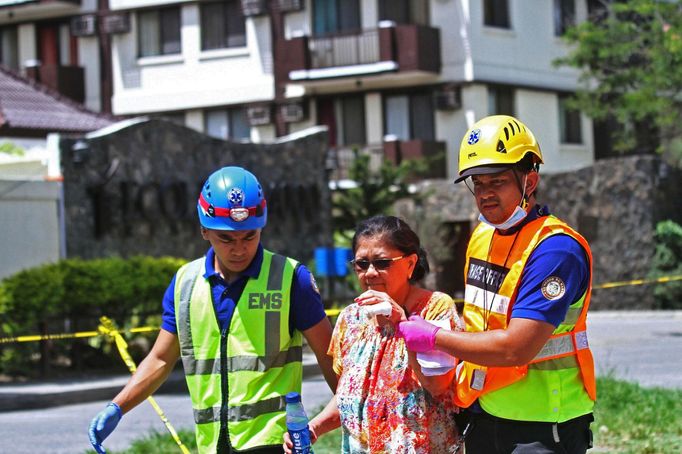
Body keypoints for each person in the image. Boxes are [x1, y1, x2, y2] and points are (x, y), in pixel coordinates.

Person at [88, 166, 338, 454]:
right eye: (227, 239)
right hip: (211, 445)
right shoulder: (185, 283)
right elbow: (160, 359)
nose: (239, 249)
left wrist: (347, 420)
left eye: (249, 236)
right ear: (204, 230)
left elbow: (330, 358)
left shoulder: (292, 278)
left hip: (274, 442)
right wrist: (117, 407)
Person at [397, 115, 596, 454]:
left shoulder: (555, 250)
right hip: (485, 410)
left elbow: (516, 347)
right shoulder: (483, 235)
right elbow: (481, 323)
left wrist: (436, 338)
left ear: (529, 181)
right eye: (478, 183)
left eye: (498, 182)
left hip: (543, 424)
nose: (485, 194)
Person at [284, 215, 461, 453]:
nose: (370, 273)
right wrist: (315, 426)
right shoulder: (350, 318)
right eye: (361, 264)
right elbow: (351, 395)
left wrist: (402, 324)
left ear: (410, 264)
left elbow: (439, 385)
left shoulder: (436, 309)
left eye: (382, 263)